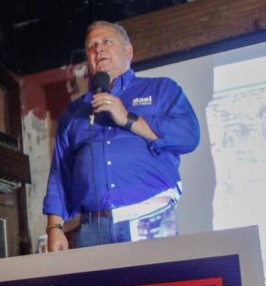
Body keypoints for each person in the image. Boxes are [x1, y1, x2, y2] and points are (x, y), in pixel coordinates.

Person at [43, 20, 201, 250]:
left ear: (129, 51)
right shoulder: (74, 113)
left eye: (107, 41)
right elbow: (60, 174)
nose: (99, 49)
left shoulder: (161, 90)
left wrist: (128, 119)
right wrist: (54, 228)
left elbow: (188, 136)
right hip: (93, 228)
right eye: (92, 46)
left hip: (150, 218)